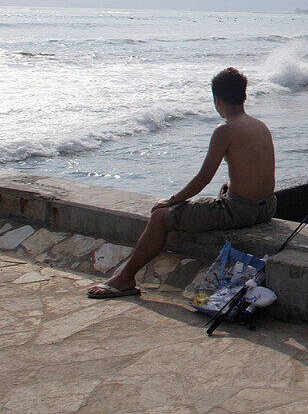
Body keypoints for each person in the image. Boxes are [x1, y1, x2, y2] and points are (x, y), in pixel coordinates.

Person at [88, 68, 276, 299]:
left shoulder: (225, 130)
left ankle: (125, 278)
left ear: (217, 100)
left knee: (159, 217)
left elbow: (203, 178)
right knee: (223, 191)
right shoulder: (260, 125)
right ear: (244, 96)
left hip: (240, 211)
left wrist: (171, 201)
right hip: (267, 207)